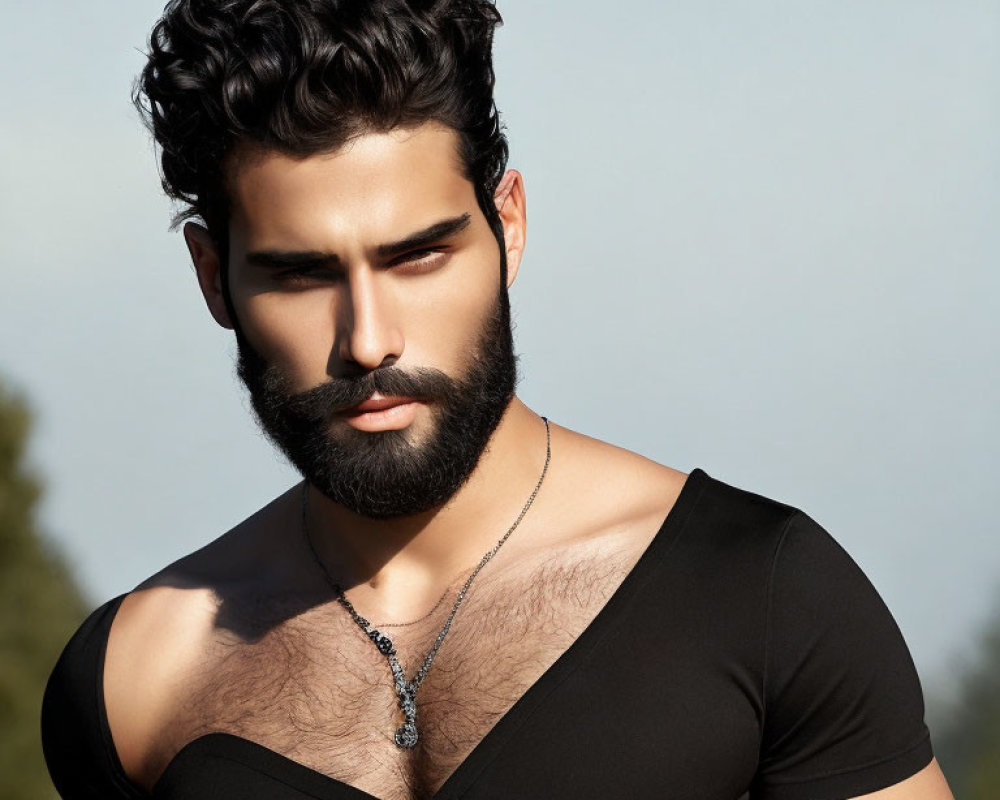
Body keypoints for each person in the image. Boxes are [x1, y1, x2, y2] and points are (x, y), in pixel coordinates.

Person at [41, 1, 953, 798]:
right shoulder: (134, 678)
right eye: (300, 274)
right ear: (214, 278)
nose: (368, 339)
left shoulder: (764, 599)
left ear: (506, 226)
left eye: (419, 256)